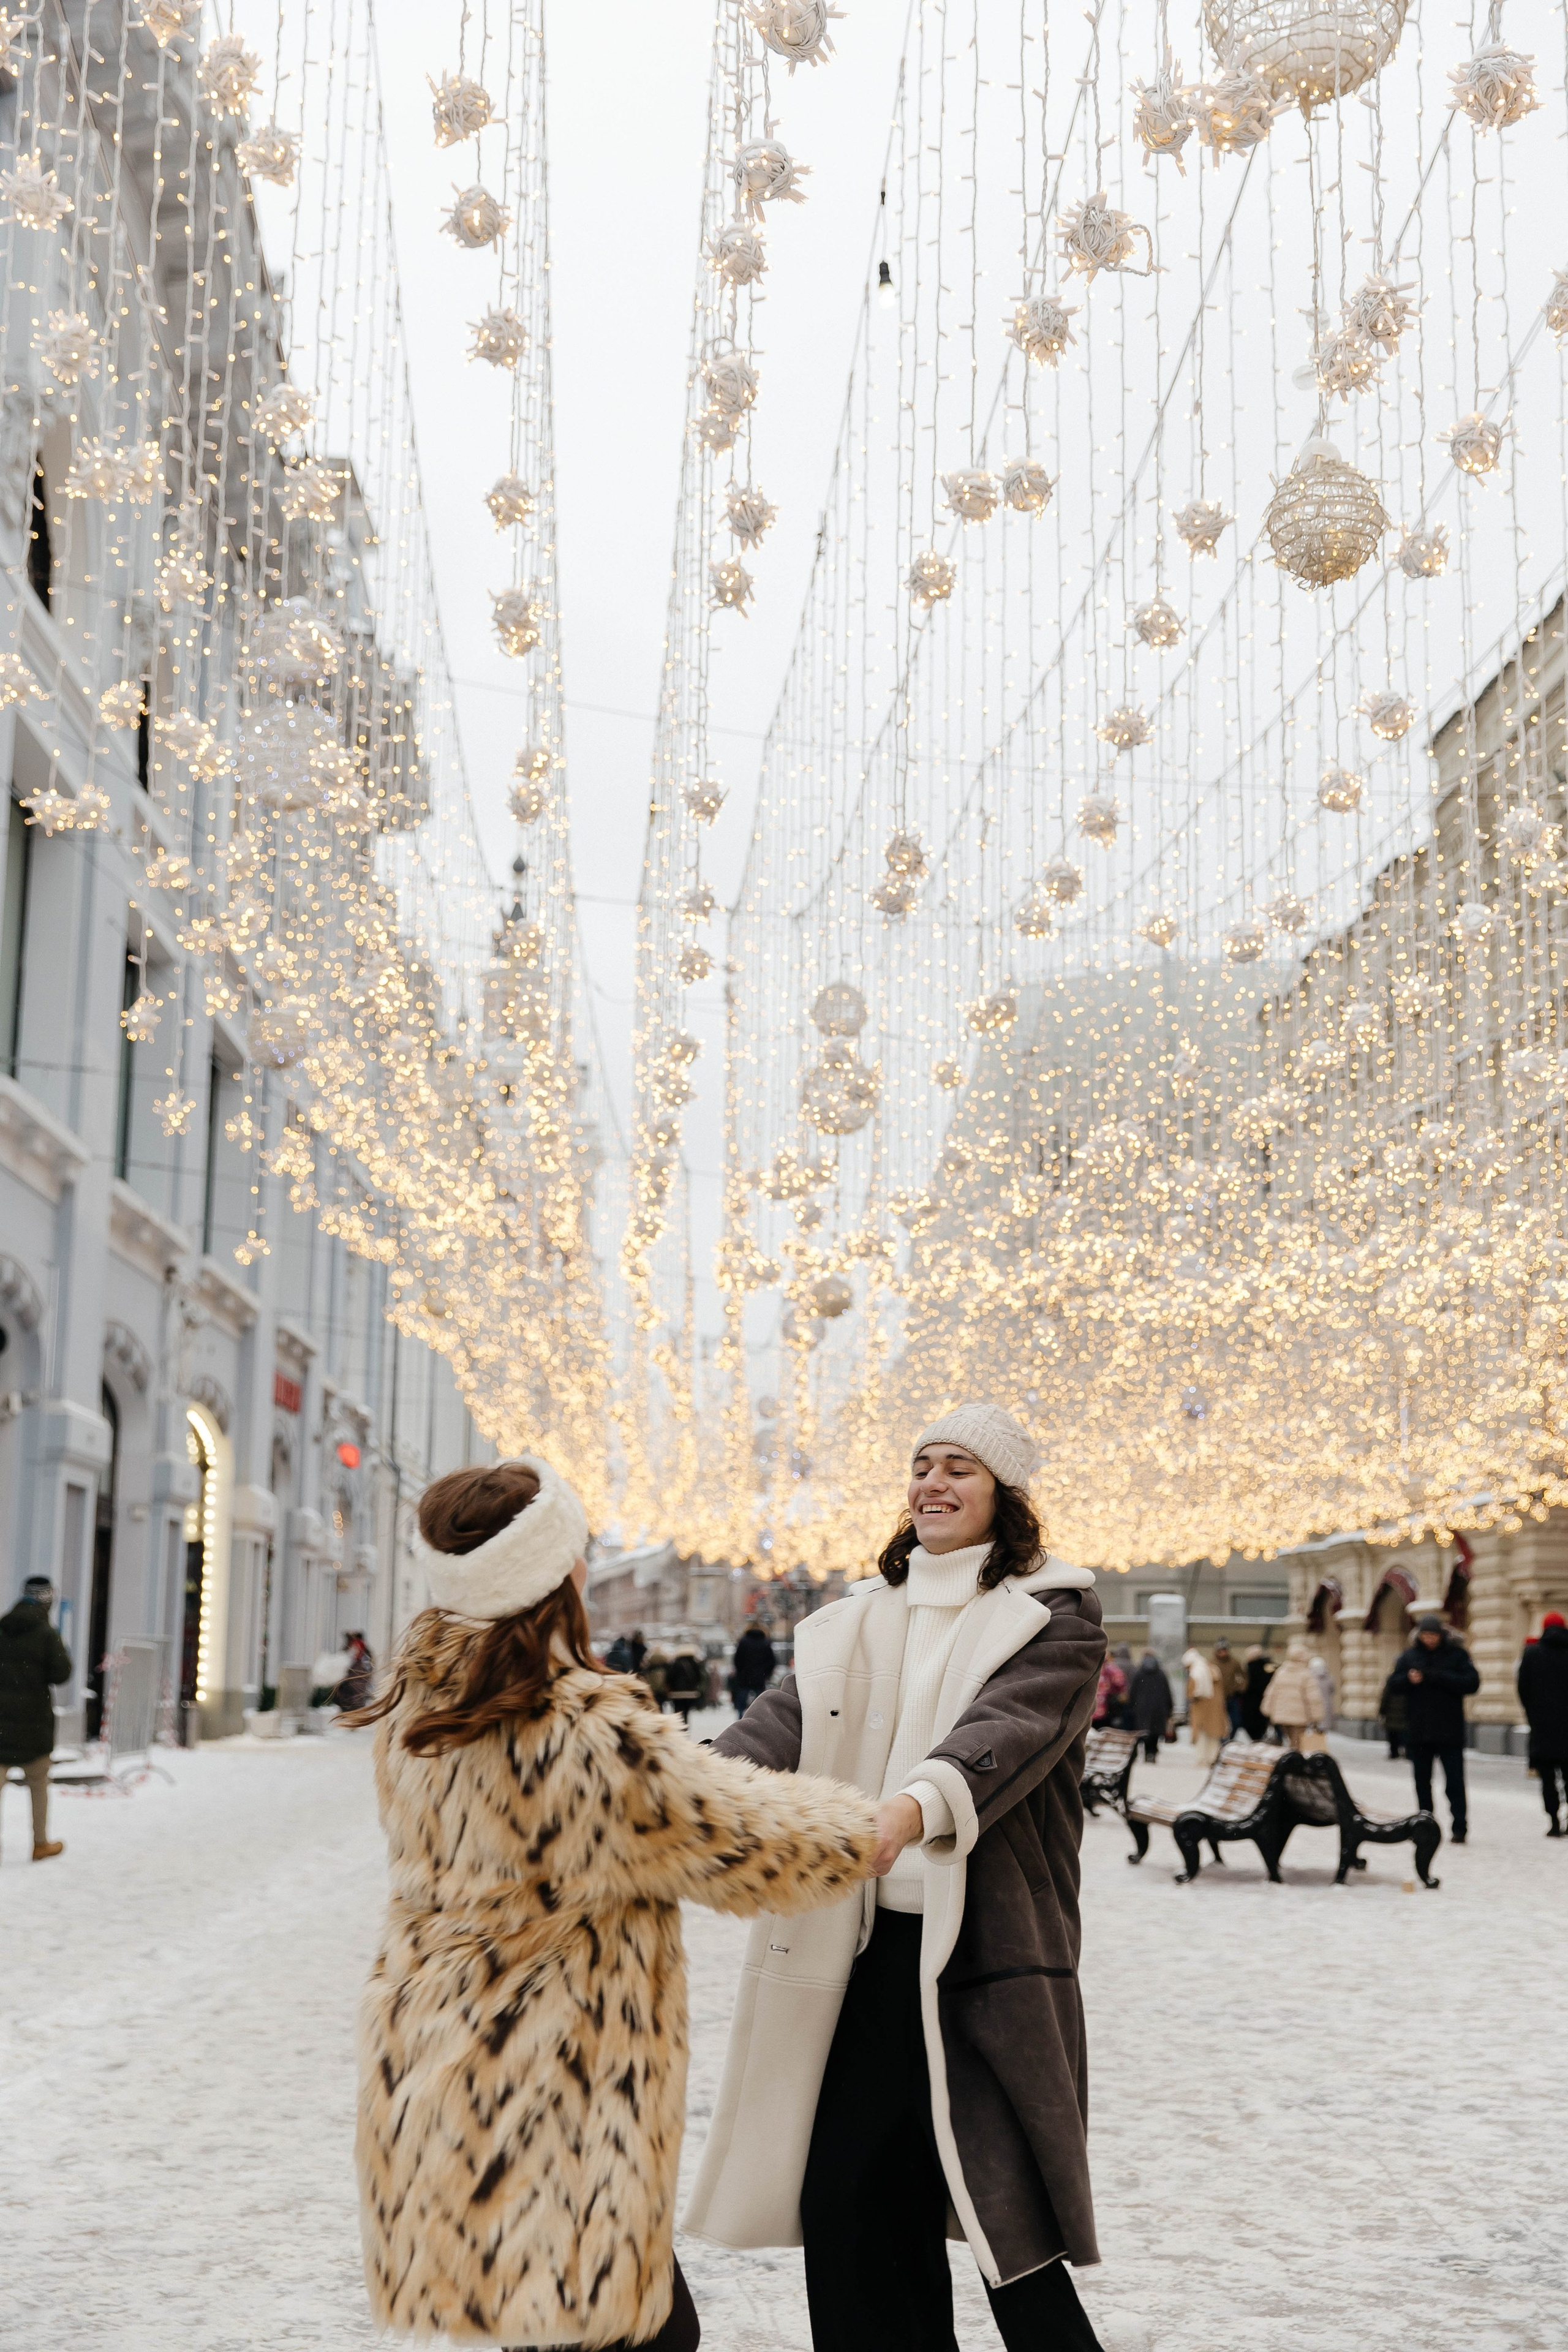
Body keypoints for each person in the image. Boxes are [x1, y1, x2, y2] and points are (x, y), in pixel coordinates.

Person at [347, 1455, 877, 2352]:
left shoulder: (419, 1710)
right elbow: (742, 1839)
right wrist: (878, 1825)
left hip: (437, 2055)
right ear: (552, 1575)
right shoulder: (586, 1734)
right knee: (630, 2334)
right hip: (559, 2083)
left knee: (548, 2327)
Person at [687, 1399, 1110, 2352]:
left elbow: (1001, 1734)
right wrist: (674, 1798)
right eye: (923, 1464)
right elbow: (768, 1733)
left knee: (1015, 2234)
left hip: (985, 1965)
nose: (934, 1482)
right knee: (852, 2203)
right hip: (861, 1954)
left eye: (960, 1466)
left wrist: (907, 1812)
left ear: (1005, 1495)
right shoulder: (854, 1623)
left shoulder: (1056, 1617)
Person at [1389, 1614, 1480, 1844]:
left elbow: (1471, 1683)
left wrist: (1436, 1676)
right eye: (1426, 1635)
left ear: (1441, 1635)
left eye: (1434, 1635)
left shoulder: (1457, 1655)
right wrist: (1409, 1680)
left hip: (1450, 1731)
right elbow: (1393, 1685)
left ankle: (1460, 1827)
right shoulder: (1409, 1656)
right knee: (1422, 1781)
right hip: (1419, 1731)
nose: (1429, 1639)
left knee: (1455, 1782)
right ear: (1419, 1635)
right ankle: (1425, 1824)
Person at [0, 1575, 72, 1862]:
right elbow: (62, 1674)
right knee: (39, 1786)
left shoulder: (2, 1627)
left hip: (0, 1724)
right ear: (47, 1600)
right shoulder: (46, 1633)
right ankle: (40, 1843)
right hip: (34, 1723)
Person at [1517, 1610, 1568, 1836]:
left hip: (1543, 1728)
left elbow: (1523, 1689)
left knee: (1547, 1780)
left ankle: (1554, 1821)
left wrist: (1533, 1714)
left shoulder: (1532, 1653)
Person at [1261, 1637, 1321, 1749]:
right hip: (1300, 1717)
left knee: (1290, 1740)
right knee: (1298, 1743)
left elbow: (1271, 1692)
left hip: (1282, 1716)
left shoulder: (1281, 1672)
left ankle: (1291, 1759)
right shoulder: (1306, 1675)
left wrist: (1267, 1709)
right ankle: (1295, 1762)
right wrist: (1317, 1716)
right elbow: (1313, 1698)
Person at [1182, 1646, 1227, 1767]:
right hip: (1216, 1708)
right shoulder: (1212, 1669)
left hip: (1201, 1708)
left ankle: (1202, 1758)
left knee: (1202, 1735)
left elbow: (1191, 1693)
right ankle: (1213, 1757)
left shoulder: (1196, 1672)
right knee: (1213, 1734)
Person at [1129, 1648, 1173, 1762]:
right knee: (1156, 1731)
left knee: (1144, 1732)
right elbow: (1167, 1692)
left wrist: (1133, 1706)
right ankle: (1153, 1753)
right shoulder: (1161, 1674)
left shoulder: (1139, 1673)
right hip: (1159, 1707)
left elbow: (1133, 1692)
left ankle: (1146, 1753)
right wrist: (1170, 1708)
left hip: (1142, 1707)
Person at [729, 1620, 777, 1716]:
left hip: (744, 1677)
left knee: (741, 1703)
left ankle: (741, 1722)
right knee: (760, 1702)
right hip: (760, 1677)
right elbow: (772, 1661)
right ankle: (759, 1721)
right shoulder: (765, 1642)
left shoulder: (743, 1641)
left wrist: (740, 1671)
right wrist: (766, 1673)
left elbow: (737, 1660)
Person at [663, 1637, 704, 1728]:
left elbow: (670, 1677)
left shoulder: (675, 1663)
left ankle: (679, 1728)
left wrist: (671, 1688)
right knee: (686, 1712)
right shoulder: (694, 1663)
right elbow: (699, 1678)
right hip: (690, 1693)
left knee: (678, 1713)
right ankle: (685, 1727)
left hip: (677, 1694)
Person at [1239, 1644, 1275, 1741]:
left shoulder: (1250, 1668)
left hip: (1251, 1702)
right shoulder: (1269, 1666)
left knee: (1252, 1724)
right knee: (1262, 1724)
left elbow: (1246, 1686)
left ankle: (1256, 1740)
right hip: (1264, 1700)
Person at [1212, 1640, 1246, 1735]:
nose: (1223, 1653)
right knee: (1219, 1722)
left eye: (1225, 1650)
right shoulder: (1212, 1663)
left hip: (1232, 1696)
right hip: (1218, 1698)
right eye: (1221, 1650)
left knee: (1236, 1722)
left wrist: (1241, 1687)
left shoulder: (1234, 1662)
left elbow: (1244, 1675)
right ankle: (1221, 1741)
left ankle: (1231, 1739)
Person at [337, 1631, 374, 1711]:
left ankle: (354, 1712)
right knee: (355, 1698)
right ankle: (355, 1712)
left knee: (354, 1698)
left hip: (355, 1678)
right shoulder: (363, 1649)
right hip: (355, 1679)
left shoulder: (358, 1646)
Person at [1378, 1665, 1408, 1758]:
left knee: (1393, 1734)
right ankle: (1407, 1752)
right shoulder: (1409, 1680)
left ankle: (1394, 1753)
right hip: (1405, 1712)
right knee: (1405, 1733)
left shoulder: (1392, 1679)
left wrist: (1382, 1710)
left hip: (1391, 1712)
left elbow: (1385, 1696)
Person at [1093, 1649, 1127, 1727]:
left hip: (1091, 1710)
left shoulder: (1091, 1670)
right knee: (1104, 1731)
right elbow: (1120, 1683)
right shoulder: (1111, 1669)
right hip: (1106, 1710)